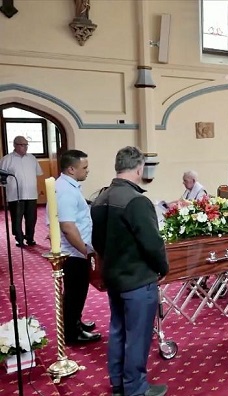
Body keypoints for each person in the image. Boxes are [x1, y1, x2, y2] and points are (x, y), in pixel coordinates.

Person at [91, 146, 169, 396]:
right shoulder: (137, 200)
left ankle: (118, 383)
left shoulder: (101, 197)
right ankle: (135, 388)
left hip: (114, 276)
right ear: (139, 168)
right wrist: (162, 267)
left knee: (117, 330)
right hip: (137, 279)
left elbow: (97, 242)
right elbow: (152, 242)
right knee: (138, 335)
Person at [55, 149, 101, 344]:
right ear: (72, 169)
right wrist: (86, 250)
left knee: (78, 290)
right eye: (85, 167)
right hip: (74, 251)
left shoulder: (69, 185)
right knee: (75, 291)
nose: (87, 171)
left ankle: (75, 322)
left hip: (76, 249)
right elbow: (67, 226)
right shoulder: (65, 190)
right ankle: (72, 333)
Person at [0, 136, 43, 247]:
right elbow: (2, 179)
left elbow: (38, 173)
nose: (25, 147)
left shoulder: (32, 158)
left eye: (26, 145)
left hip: (31, 193)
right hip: (16, 195)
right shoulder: (6, 159)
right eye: (22, 145)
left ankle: (30, 238)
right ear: (15, 145)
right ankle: (19, 239)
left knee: (31, 218)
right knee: (17, 219)